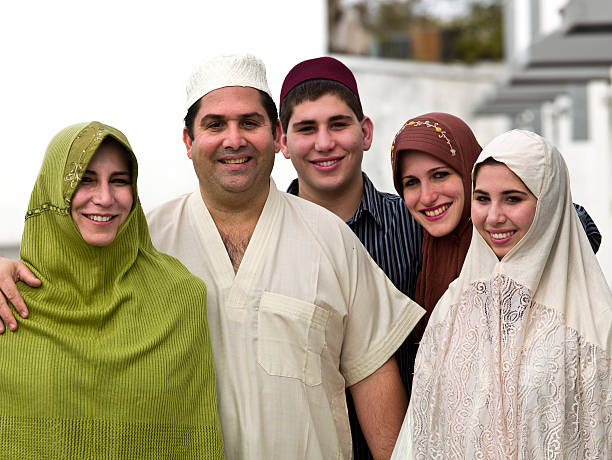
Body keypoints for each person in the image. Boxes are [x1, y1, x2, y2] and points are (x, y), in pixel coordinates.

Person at [0, 54, 425, 459]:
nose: (234, 139)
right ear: (189, 140)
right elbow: (71, 302)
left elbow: (386, 426)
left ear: (277, 136)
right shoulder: (143, 243)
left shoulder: (333, 241)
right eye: (215, 124)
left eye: (250, 122)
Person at [0, 122, 224, 458]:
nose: (104, 198)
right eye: (84, 179)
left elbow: (193, 438)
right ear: (52, 190)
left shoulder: (180, 298)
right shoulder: (10, 300)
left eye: (119, 181)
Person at [392, 129, 612, 459]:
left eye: (513, 198)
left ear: (549, 202)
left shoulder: (593, 323)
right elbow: (420, 433)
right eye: (482, 199)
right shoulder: (453, 309)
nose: (494, 217)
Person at [279, 57, 422, 460]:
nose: (324, 143)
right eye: (306, 129)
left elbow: (558, 224)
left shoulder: (417, 224)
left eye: (338, 125)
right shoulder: (263, 240)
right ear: (282, 142)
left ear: (365, 132)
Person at [390, 112, 602, 325]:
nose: (427, 197)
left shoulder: (519, 232)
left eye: (440, 175)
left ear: (469, 169)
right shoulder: (402, 238)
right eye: (411, 182)